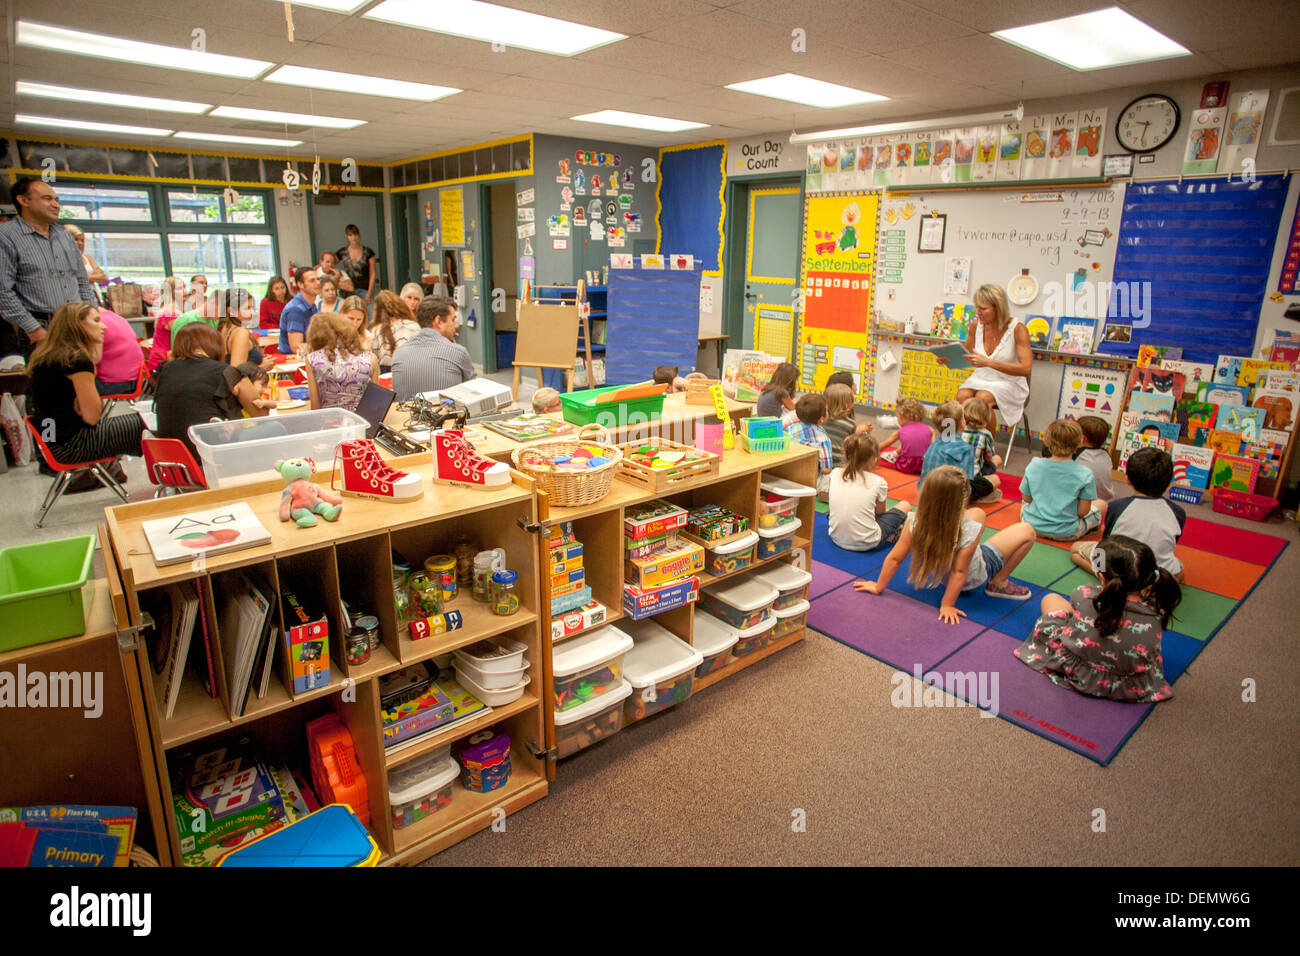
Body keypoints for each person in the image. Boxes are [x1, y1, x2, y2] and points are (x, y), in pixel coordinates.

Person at [854, 464, 1036, 621]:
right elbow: (960, 570)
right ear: (965, 497)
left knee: (971, 528)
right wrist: (947, 605)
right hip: (973, 577)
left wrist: (878, 586)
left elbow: (894, 558)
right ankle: (999, 581)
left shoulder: (915, 521)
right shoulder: (973, 522)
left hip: (943, 576)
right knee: (1027, 531)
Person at [1016, 535, 1179, 703]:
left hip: (1080, 672)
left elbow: (1078, 605)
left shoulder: (1086, 594)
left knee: (1051, 599)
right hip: (1128, 684)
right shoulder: (1157, 610)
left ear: (1102, 577)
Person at [25, 301, 145, 472]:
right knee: (150, 421)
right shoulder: (77, 361)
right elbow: (93, 417)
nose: (103, 326)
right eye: (96, 321)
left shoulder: (46, 358)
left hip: (51, 443)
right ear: (77, 325)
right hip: (73, 445)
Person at [0, 177, 97, 358]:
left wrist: (91, 315)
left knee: (83, 379)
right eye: (47, 199)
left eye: (56, 200)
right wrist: (33, 328)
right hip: (40, 325)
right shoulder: (6, 236)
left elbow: (81, 281)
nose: (55, 205)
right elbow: (3, 291)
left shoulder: (64, 235)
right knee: (49, 383)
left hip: (76, 323)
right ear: (24, 200)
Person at [153, 323, 269, 459]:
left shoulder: (165, 371)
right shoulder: (226, 372)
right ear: (215, 344)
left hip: (171, 461)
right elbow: (260, 413)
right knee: (276, 428)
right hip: (210, 457)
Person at [1071, 446, 1186, 582]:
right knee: (1179, 569)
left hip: (1118, 569)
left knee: (1075, 549)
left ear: (1128, 479)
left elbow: (1107, 541)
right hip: (1154, 572)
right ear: (1168, 482)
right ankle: (1153, 584)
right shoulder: (1178, 512)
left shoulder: (1117, 507)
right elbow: (1172, 543)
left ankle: (1104, 577)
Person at [953, 283, 1032, 428]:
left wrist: (989, 362)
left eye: (983, 308)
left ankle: (986, 447)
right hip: (980, 378)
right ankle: (964, 442)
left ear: (998, 308)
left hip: (1009, 382)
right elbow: (966, 353)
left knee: (982, 399)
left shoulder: (1018, 329)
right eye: (976, 307)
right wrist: (947, 357)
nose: (978, 312)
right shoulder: (976, 325)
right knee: (962, 396)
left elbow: (1025, 369)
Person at [1020, 418, 1106, 540]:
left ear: (1046, 441)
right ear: (1080, 442)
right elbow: (1082, 512)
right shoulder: (1085, 474)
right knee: (1101, 504)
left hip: (1030, 525)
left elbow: (1026, 498)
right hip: (1067, 532)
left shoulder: (1034, 464)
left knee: (1025, 504)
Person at [828, 433, 911, 551]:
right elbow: (879, 513)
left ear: (846, 455)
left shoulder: (835, 473)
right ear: (874, 460)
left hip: (836, 537)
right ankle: (893, 533)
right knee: (905, 505)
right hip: (868, 542)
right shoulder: (878, 482)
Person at [391, 295, 475, 400]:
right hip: (447, 415)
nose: (456, 325)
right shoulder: (458, 352)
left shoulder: (399, 352)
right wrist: (453, 348)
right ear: (438, 321)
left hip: (405, 415)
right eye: (453, 320)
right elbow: (474, 392)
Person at [919, 401, 998, 503]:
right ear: (962, 423)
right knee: (995, 479)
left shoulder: (934, 445)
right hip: (951, 497)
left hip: (926, 492)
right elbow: (965, 486)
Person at [305, 313, 377, 412]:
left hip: (330, 423)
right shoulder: (370, 358)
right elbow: (375, 402)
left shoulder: (312, 359)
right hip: (363, 422)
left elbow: (315, 406)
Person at [784, 393, 833, 495]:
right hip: (810, 481)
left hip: (789, 475)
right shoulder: (823, 439)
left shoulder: (790, 429)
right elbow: (826, 469)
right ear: (821, 418)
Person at [218, 289, 272, 370]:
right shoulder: (240, 333)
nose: (253, 313)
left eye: (253, 308)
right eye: (247, 308)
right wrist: (262, 367)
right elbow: (236, 373)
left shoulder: (223, 328)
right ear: (231, 310)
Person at [875, 397, 931, 475]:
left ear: (902, 417)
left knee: (908, 441)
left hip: (906, 466)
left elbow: (883, 445)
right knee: (911, 441)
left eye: (897, 417)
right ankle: (895, 453)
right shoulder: (929, 428)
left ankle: (894, 454)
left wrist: (870, 451)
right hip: (923, 464)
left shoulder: (900, 432)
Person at [94, 308, 144, 395]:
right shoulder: (116, 317)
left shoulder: (96, 323)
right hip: (137, 379)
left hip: (113, 383)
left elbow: (93, 360)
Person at [822, 382, 870, 470]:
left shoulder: (821, 419)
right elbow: (851, 446)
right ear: (847, 405)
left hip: (821, 462)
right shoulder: (850, 424)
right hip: (839, 465)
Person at [367, 290, 419, 371]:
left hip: (385, 373)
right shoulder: (413, 326)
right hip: (412, 370)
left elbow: (373, 357)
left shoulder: (376, 330)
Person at [959, 396, 1002, 484]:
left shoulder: (958, 429)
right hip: (973, 476)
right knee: (997, 459)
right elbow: (989, 457)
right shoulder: (986, 434)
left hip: (954, 472)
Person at [278, 266, 319, 356]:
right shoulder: (295, 310)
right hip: (294, 360)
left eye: (318, 279)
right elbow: (296, 347)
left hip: (309, 357)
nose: (318, 283)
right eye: (312, 281)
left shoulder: (312, 306)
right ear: (300, 284)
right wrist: (322, 347)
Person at [1074, 415, 1115, 501]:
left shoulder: (1076, 454)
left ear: (1082, 439)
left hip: (1084, 502)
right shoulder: (1106, 454)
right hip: (1104, 501)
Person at [336, 224, 378, 303]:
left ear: (358, 235)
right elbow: (329, 262)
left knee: (369, 313)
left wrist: (369, 294)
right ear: (347, 236)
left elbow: (372, 273)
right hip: (348, 292)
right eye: (350, 235)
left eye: (355, 234)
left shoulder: (368, 252)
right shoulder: (342, 252)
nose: (353, 237)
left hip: (365, 290)